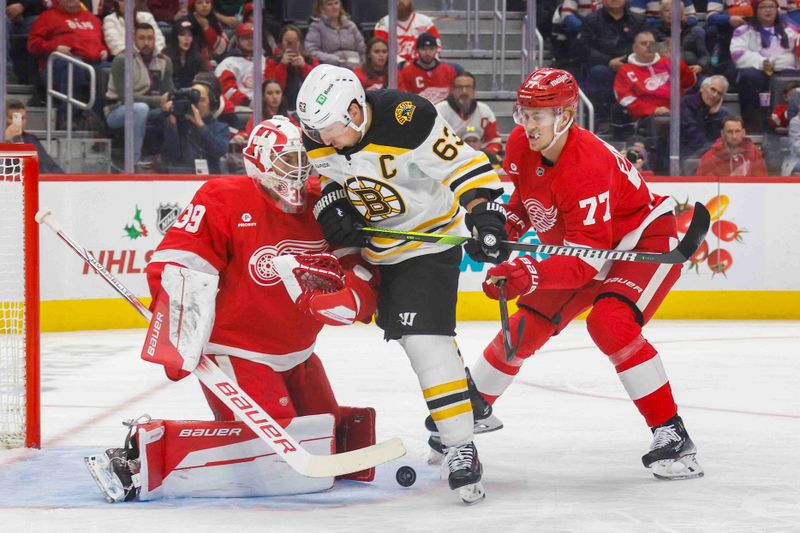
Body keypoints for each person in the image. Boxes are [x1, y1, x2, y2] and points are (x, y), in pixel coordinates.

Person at [85, 116, 381, 502]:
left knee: (330, 438)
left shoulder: (322, 199)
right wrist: (179, 336)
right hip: (238, 352)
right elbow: (178, 264)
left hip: (298, 353)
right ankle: (140, 456)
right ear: (258, 162)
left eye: (302, 161)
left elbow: (356, 262)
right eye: (286, 162)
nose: (298, 173)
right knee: (278, 458)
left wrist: (355, 295)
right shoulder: (224, 197)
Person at [457, 67, 704, 482]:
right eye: (524, 113)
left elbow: (583, 264)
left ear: (566, 116)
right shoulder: (521, 144)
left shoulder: (586, 164)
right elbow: (526, 202)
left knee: (610, 323)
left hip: (641, 239)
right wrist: (500, 231)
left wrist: (525, 271)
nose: (527, 123)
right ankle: (468, 413)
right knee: (528, 323)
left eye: (538, 115)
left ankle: (671, 433)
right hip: (586, 244)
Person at [295, 64, 507, 504]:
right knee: (404, 327)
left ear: (355, 110)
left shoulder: (409, 117)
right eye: (319, 134)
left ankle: (460, 445)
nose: (326, 141)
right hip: (376, 250)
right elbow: (326, 179)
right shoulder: (318, 136)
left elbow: (463, 167)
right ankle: (467, 397)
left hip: (427, 243)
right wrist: (333, 203)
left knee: (424, 341)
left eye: (332, 131)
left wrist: (484, 212)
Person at [104, 22, 174, 168]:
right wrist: (157, 101)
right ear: (134, 40)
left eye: (150, 38)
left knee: (176, 109)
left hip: (152, 108)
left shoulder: (164, 61)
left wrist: (171, 102)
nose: (146, 42)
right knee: (140, 108)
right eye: (142, 38)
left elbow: (169, 91)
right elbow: (125, 98)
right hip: (116, 110)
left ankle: (173, 158)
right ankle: (133, 161)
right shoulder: (122, 60)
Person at [730, 0, 799, 133]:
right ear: (756, 10)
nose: (768, 10)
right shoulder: (744, 30)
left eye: (771, 6)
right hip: (757, 73)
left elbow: (794, 55)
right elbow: (737, 54)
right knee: (749, 76)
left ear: (777, 9)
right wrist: (762, 62)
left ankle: (784, 122)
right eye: (763, 7)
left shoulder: (790, 30)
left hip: (783, 72)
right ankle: (753, 125)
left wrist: (776, 63)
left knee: (790, 79)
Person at [578, 0, 646, 121]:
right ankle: (604, 120)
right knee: (599, 72)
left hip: (633, 66)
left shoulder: (639, 20)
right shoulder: (591, 20)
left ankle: (638, 119)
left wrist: (628, 61)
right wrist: (609, 61)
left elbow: (647, 45)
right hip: (604, 67)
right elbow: (584, 49)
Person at [613, 30, 697, 121]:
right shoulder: (625, 70)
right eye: (643, 43)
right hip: (647, 117)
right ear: (634, 48)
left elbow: (689, 83)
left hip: (678, 110)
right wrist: (652, 109)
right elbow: (625, 98)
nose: (649, 46)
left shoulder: (667, 61)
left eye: (652, 44)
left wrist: (676, 62)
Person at [161, 72, 230, 174]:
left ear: (211, 102)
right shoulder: (179, 125)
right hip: (180, 180)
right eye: (192, 99)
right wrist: (171, 123)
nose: (197, 104)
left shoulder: (220, 128)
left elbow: (219, 151)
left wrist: (200, 125)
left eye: (202, 100)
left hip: (210, 179)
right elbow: (171, 155)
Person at [435, 71, 503, 165]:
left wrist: (485, 155)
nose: (464, 91)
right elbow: (432, 141)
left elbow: (494, 140)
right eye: (460, 87)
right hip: (447, 162)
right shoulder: (440, 111)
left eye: (468, 87)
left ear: (474, 90)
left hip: (478, 161)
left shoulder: (484, 111)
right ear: (452, 90)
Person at [265, 24, 319, 112]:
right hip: (281, 108)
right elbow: (271, 87)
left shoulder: (311, 60)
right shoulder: (273, 61)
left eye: (294, 41)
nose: (291, 45)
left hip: (308, 107)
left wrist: (304, 67)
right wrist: (282, 66)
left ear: (300, 43)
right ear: (281, 44)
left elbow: (318, 85)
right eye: (288, 41)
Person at [4, 99, 64, 174]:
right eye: (13, 118)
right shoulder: (3, 140)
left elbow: (50, 165)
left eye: (23, 118)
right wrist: (5, 140)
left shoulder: (31, 139)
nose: (19, 123)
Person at [397, 32, 458, 104]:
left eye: (431, 48)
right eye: (423, 49)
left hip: (443, 112)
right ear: (417, 50)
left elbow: (454, 97)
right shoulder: (406, 73)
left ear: (436, 49)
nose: (427, 52)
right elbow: (404, 100)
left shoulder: (449, 71)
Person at [696, 115, 768, 175]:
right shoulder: (710, 157)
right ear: (722, 134)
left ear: (743, 132)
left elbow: (763, 184)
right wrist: (731, 179)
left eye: (737, 131)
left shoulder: (754, 154)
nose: (734, 136)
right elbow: (704, 188)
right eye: (729, 132)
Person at [374, 0, 440, 65]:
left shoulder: (425, 22)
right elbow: (382, 51)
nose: (400, 1)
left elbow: (437, 47)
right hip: (395, 69)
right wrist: (403, 64)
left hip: (423, 67)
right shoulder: (383, 24)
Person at [215, 21, 262, 114]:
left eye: (253, 37)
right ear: (237, 41)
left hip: (265, 110)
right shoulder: (228, 63)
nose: (250, 41)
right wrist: (248, 102)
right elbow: (227, 90)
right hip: (240, 110)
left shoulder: (266, 61)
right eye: (245, 37)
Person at [305, 0, 365, 69]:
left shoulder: (350, 25)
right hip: (331, 68)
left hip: (356, 67)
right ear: (322, 8)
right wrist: (335, 60)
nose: (334, 7)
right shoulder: (316, 26)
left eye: (336, 3)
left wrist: (363, 66)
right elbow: (311, 51)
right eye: (329, 4)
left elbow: (362, 49)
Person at [680, 75, 730, 158]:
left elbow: (718, 137)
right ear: (702, 88)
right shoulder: (686, 104)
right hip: (688, 153)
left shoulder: (722, 113)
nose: (714, 95)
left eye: (719, 93)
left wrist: (714, 116)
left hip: (711, 153)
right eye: (713, 89)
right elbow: (692, 135)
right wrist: (713, 149)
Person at [164, 16, 210, 89]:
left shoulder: (197, 57)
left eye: (190, 35)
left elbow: (205, 79)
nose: (187, 38)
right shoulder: (165, 56)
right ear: (175, 37)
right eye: (182, 35)